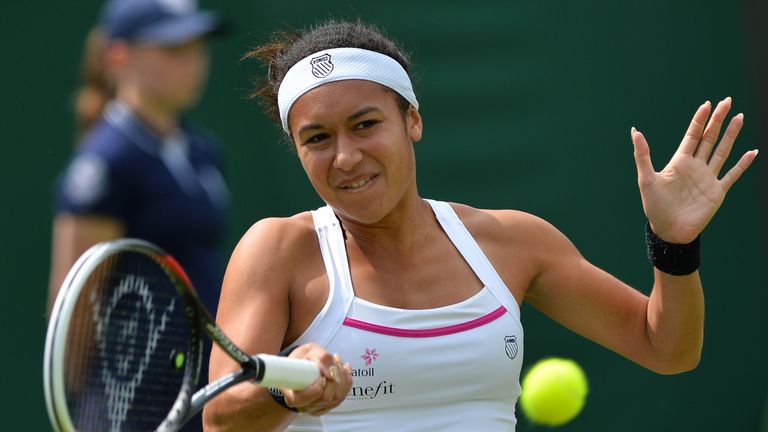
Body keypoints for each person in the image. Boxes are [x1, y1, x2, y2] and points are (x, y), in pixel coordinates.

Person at [203, 20, 757, 432]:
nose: (345, 156)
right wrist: (287, 392)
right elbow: (219, 418)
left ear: (412, 120)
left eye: (365, 124)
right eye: (318, 138)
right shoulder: (279, 249)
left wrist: (673, 243)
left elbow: (666, 349)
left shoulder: (512, 241)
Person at [48, 0, 229, 430]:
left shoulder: (203, 151)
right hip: (131, 403)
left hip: (201, 386)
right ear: (118, 56)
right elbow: (74, 306)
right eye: (172, 48)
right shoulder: (106, 162)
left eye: (197, 46)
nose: (193, 62)